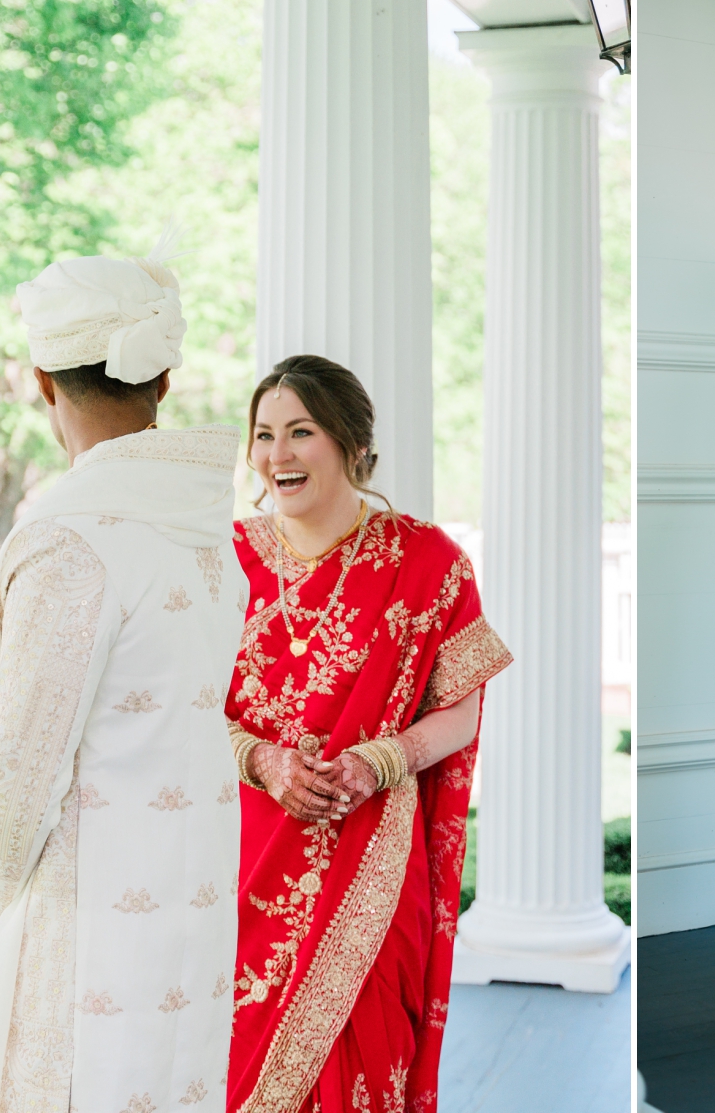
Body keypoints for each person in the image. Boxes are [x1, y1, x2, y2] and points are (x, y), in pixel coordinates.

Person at [0, 253, 246, 1111]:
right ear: (163, 378)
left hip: (87, 928)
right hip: (188, 901)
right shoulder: (206, 535)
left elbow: (20, 763)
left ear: (42, 382)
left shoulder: (68, 542)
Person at [224, 355, 513, 1112]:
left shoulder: (427, 561)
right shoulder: (223, 564)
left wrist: (381, 760)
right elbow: (180, 710)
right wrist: (260, 758)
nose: (277, 455)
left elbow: (462, 711)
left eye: (301, 432)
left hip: (372, 875)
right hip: (240, 869)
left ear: (350, 441)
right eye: (263, 435)